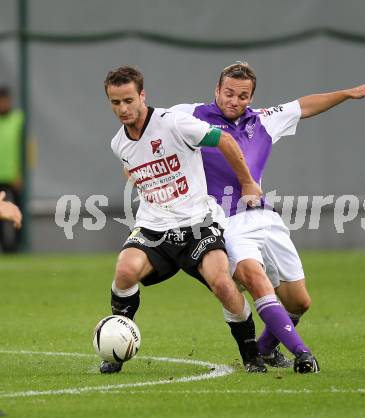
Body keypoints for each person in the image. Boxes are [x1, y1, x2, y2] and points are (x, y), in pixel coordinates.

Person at [172, 62, 365, 370]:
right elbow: (152, 123)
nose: (234, 101)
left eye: (242, 96)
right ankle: (303, 354)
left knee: (299, 302)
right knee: (256, 279)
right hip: (223, 222)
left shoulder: (262, 121)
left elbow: (304, 106)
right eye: (228, 93)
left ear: (251, 97)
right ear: (217, 90)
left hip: (264, 218)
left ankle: (266, 350)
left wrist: (347, 94)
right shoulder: (189, 115)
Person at [102, 65, 310, 375]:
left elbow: (225, 141)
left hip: (198, 223)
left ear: (142, 95)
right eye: (115, 102)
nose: (123, 108)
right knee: (124, 270)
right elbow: (134, 167)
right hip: (155, 228)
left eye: (129, 100)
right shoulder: (119, 143)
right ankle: (118, 340)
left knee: (224, 286)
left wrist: (248, 183)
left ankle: (252, 353)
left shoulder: (173, 122)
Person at [0, 86, 24, 252]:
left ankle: (16, 246)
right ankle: (4, 245)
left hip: (13, 175)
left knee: (17, 211)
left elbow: (24, 147)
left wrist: (19, 173)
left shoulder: (18, 119)